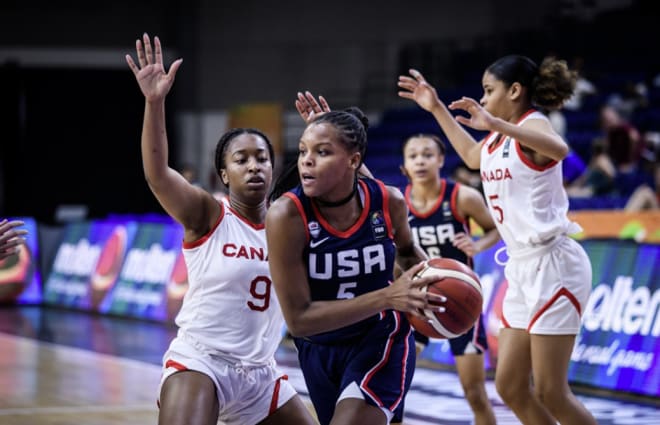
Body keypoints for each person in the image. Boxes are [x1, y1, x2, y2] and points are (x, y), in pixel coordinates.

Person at [125, 33, 315, 425]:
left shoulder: (292, 222)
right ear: (224, 174)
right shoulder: (208, 214)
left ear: (274, 166)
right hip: (202, 360)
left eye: (261, 157)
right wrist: (154, 102)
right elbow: (158, 175)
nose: (253, 166)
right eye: (241, 159)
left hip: (261, 373)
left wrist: (323, 138)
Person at [398, 55, 598, 425]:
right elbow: (473, 157)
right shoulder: (495, 138)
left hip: (554, 264)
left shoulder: (533, 125)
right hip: (521, 268)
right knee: (509, 386)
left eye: (489, 91)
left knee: (551, 391)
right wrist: (436, 107)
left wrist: (495, 124)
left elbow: (560, 151)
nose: (484, 99)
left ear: (515, 91)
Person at [265, 96, 445, 425]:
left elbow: (406, 252)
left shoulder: (388, 200)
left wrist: (441, 285)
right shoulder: (286, 216)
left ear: (354, 160)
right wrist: (387, 296)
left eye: (322, 152)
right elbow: (299, 320)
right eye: (304, 151)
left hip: (381, 337)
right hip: (318, 347)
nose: (306, 162)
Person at [399, 133, 499, 425]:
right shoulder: (397, 203)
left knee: (475, 393)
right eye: (413, 155)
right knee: (396, 388)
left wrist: (477, 245)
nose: (420, 160)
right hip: (414, 303)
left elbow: (495, 228)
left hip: (460, 304)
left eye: (427, 154)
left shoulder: (462, 196)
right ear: (404, 166)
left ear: (441, 160)